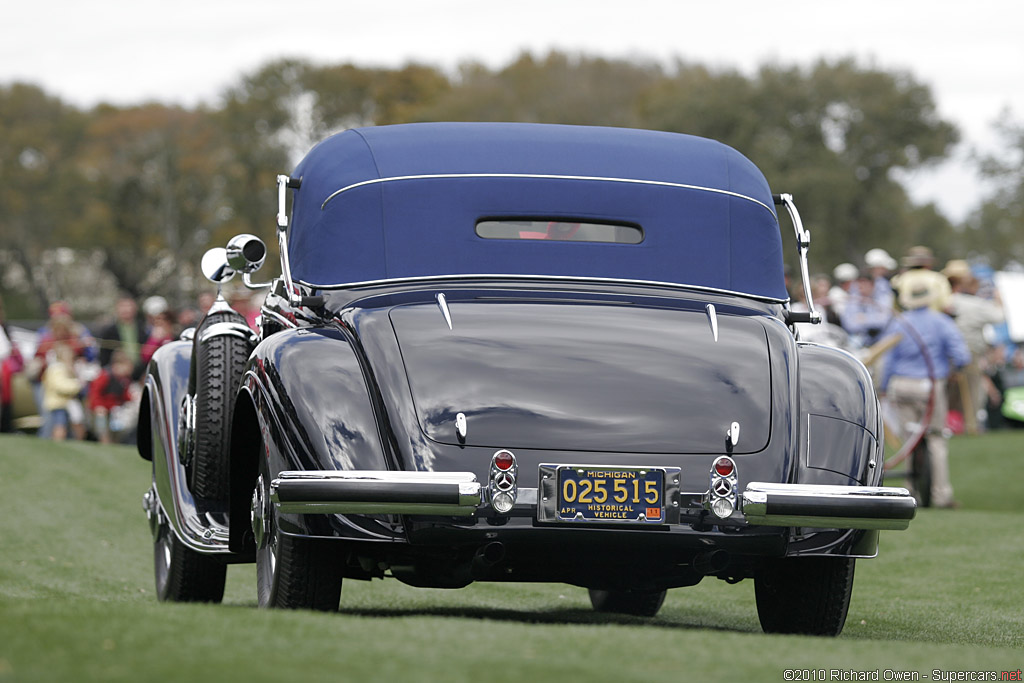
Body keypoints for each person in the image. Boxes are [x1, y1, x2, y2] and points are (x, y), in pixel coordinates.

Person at [879, 272, 971, 508]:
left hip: (901, 384)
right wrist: (953, 369)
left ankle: (912, 493)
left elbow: (886, 357)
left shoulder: (899, 322)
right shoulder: (941, 322)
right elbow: (962, 355)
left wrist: (882, 386)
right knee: (936, 439)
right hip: (929, 385)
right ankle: (941, 495)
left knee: (909, 440)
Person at [943, 259, 1005, 433]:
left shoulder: (948, 300)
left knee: (949, 394)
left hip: (947, 354)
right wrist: (998, 299)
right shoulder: (978, 304)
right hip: (970, 352)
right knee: (971, 395)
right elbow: (999, 316)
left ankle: (948, 426)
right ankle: (970, 427)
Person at [88, 350, 135, 444]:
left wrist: (131, 398)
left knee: (117, 430)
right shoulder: (105, 376)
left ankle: (112, 443)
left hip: (113, 410)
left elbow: (123, 395)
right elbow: (94, 392)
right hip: (101, 409)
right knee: (102, 428)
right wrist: (98, 405)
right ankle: (104, 443)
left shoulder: (124, 380)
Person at [95, 295, 148, 372]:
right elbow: (104, 356)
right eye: (123, 306)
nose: (126, 310)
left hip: (140, 372)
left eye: (128, 306)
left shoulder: (143, 329)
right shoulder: (109, 331)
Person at [41, 343, 83, 441]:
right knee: (60, 426)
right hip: (58, 404)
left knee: (63, 425)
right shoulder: (57, 369)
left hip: (63, 403)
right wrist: (77, 385)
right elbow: (60, 385)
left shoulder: (61, 368)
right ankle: (57, 442)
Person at [891, 246, 951, 313]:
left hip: (905, 321)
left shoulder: (898, 279)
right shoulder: (938, 279)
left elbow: (893, 307)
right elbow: (946, 306)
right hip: (933, 320)